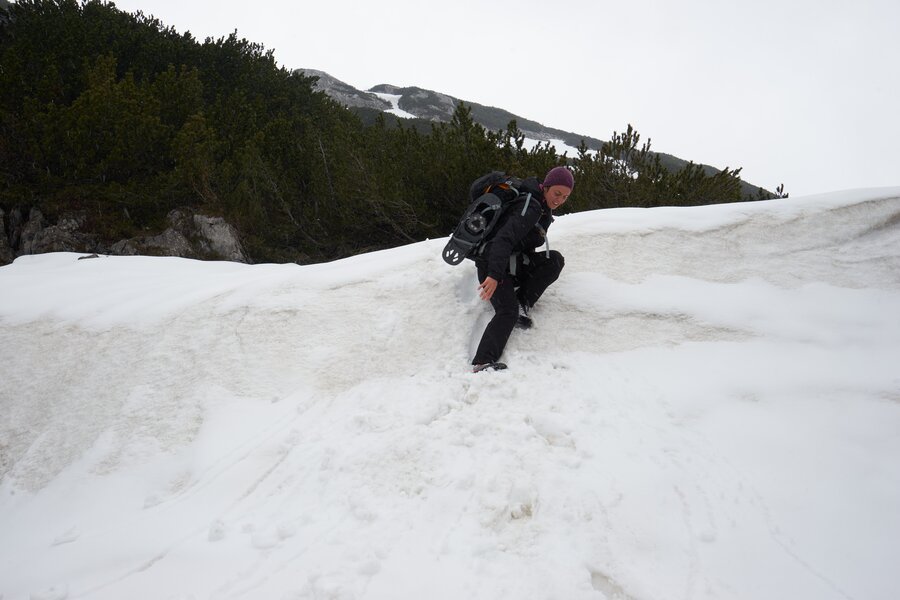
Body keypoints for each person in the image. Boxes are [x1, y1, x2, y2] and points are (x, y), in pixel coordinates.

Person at [471, 166, 574, 372]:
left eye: (565, 197)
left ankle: (522, 302)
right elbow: (503, 239)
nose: (559, 200)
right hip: (492, 263)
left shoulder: (543, 206)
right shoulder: (531, 206)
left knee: (553, 260)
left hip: (513, 261)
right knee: (506, 311)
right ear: (546, 186)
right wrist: (493, 275)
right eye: (557, 193)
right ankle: (482, 362)